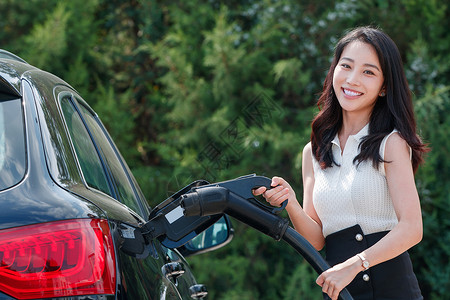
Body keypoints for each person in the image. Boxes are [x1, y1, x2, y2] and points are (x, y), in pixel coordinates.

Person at [254, 26, 428, 300]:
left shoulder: (391, 143)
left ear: (383, 87)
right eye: (346, 66)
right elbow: (316, 240)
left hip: (392, 290)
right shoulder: (313, 152)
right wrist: (291, 203)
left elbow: (412, 228)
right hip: (339, 292)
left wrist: (354, 264)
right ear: (334, 70)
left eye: (368, 72)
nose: (352, 79)